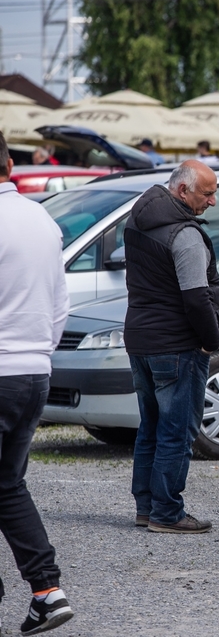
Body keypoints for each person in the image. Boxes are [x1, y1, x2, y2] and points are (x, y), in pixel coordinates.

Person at [125, 160, 219, 535]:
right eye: (207, 193)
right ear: (183, 191)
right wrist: (211, 341)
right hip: (177, 346)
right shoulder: (184, 235)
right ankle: (167, 512)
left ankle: (146, 508)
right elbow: (197, 299)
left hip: (140, 340)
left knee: (150, 426)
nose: (213, 202)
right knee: (176, 431)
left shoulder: (137, 220)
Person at [0, 131, 75, 635]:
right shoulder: (42, 220)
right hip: (33, 372)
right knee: (6, 484)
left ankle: (46, 590)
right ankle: (47, 592)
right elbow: (59, 307)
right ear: (8, 163)